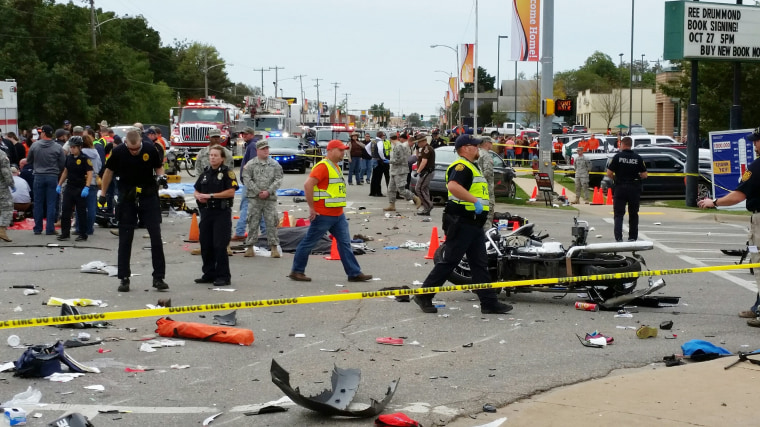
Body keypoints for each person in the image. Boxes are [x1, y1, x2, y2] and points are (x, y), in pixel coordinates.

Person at [413, 135, 512, 315]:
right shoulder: (461, 166)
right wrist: (475, 201)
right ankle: (424, 295)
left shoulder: (473, 167)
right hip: (462, 221)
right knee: (450, 261)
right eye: (475, 146)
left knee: (479, 264)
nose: (478, 149)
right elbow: (453, 186)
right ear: (465, 148)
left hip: (473, 223)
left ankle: (489, 303)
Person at [698, 126, 760, 327]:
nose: (754, 144)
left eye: (756, 141)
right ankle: (757, 306)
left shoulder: (757, 167)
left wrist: (713, 202)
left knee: (758, 263)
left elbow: (738, 195)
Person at [288, 140, 372, 283]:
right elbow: (308, 185)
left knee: (344, 243)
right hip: (324, 214)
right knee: (309, 242)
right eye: (340, 150)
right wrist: (312, 208)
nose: (343, 153)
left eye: (344, 150)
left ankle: (354, 273)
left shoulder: (335, 167)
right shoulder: (323, 166)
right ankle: (297, 271)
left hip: (337, 214)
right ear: (331, 150)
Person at [99, 130, 169, 293]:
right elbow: (108, 172)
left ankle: (158, 277)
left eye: (137, 149)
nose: (134, 152)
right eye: (131, 149)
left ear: (141, 143)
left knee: (156, 236)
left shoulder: (150, 149)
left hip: (148, 195)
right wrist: (103, 194)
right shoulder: (118, 152)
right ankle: (124, 278)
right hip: (127, 196)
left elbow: (159, 167)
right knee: (125, 237)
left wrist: (161, 177)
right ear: (126, 144)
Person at [193, 146, 239, 286]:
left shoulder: (227, 173)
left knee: (219, 245)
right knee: (206, 244)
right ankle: (209, 273)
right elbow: (196, 189)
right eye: (211, 155)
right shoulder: (205, 173)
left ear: (222, 158)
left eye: (215, 155)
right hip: (207, 213)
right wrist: (199, 196)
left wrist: (211, 196)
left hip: (221, 213)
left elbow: (231, 192)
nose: (212, 157)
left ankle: (223, 276)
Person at [242, 139, 283, 258]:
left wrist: (268, 191)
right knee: (253, 222)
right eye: (263, 149)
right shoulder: (250, 164)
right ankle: (250, 247)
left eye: (267, 148)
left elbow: (278, 179)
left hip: (269, 199)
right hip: (255, 198)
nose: (266, 151)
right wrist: (257, 191)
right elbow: (246, 179)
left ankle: (274, 247)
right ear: (257, 150)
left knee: (272, 222)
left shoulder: (275, 164)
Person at [25, 125, 65, 235]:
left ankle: (38, 228)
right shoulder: (57, 147)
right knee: (51, 203)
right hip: (52, 176)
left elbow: (29, 160)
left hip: (38, 176)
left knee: (38, 203)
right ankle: (50, 228)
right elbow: (62, 163)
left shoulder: (35, 145)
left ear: (43, 133)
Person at [606, 136, 647, 242]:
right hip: (633, 188)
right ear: (631, 145)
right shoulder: (638, 158)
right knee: (633, 214)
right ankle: (632, 237)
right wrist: (637, 176)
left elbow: (609, 173)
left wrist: (616, 178)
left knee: (619, 214)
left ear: (622, 144)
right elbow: (644, 175)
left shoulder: (617, 157)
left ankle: (619, 238)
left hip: (620, 187)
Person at [55, 136, 92, 242]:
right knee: (66, 210)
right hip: (70, 187)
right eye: (71, 147)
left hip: (80, 188)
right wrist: (59, 184)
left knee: (81, 212)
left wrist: (87, 187)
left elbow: (89, 173)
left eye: (74, 147)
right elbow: (65, 171)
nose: (72, 149)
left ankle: (83, 234)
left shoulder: (85, 159)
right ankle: (65, 233)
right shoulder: (69, 158)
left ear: (80, 147)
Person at [232, 127, 265, 241]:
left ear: (251, 134)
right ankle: (265, 232)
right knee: (259, 207)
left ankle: (240, 232)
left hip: (251, 182)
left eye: (245, 134)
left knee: (245, 206)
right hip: (256, 182)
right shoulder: (253, 145)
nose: (243, 136)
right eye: (242, 134)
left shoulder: (252, 146)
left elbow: (252, 165)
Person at [383, 134, 421, 211]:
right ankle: (392, 204)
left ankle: (415, 198)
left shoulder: (399, 147)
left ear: (390, 139)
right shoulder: (396, 146)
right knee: (391, 189)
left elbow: (400, 160)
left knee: (401, 189)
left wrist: (389, 161)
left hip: (400, 171)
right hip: (394, 170)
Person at [80, 135, 102, 235]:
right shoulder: (96, 153)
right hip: (94, 181)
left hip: (83, 181)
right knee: (92, 207)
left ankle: (80, 228)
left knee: (80, 206)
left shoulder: (81, 154)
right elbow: (100, 165)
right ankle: (90, 229)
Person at [414, 133, 435, 216]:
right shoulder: (422, 149)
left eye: (419, 142)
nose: (418, 144)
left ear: (423, 141)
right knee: (424, 189)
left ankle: (429, 205)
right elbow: (418, 158)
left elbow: (424, 162)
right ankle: (426, 208)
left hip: (427, 172)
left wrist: (418, 171)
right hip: (425, 172)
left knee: (418, 189)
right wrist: (416, 149)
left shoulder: (427, 149)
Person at [477, 137, 496, 228]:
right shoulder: (486, 155)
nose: (492, 145)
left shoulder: (477, 153)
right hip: (486, 190)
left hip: (478, 190)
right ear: (486, 143)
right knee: (488, 214)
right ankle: (487, 236)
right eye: (491, 143)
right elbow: (487, 172)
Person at [369, 131, 390, 197]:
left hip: (374, 159)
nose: (384, 136)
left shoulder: (373, 141)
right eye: (383, 135)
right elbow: (380, 150)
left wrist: (372, 155)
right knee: (378, 177)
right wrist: (383, 158)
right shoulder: (380, 142)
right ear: (381, 135)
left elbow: (367, 148)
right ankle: (378, 192)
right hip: (379, 161)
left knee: (374, 177)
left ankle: (372, 192)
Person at [0, 149, 13, 242]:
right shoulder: (1, 154)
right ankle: (2, 229)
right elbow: (5, 171)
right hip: (1, 186)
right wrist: (11, 184)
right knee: (7, 207)